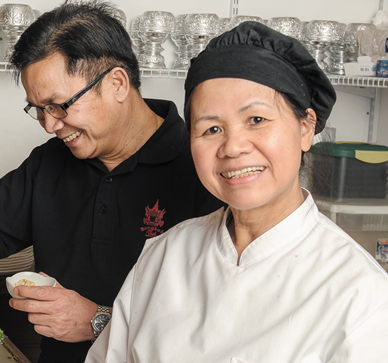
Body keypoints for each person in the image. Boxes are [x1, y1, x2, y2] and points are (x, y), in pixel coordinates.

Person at [0, 1, 224, 362]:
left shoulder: (203, 171)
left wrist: (99, 321)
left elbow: (215, 326)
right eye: (38, 109)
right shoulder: (53, 160)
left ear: (116, 83)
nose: (49, 125)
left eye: (59, 105)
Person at [86, 21, 388, 363]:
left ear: (305, 128)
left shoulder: (362, 295)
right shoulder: (163, 256)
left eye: (256, 120)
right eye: (211, 128)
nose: (233, 147)